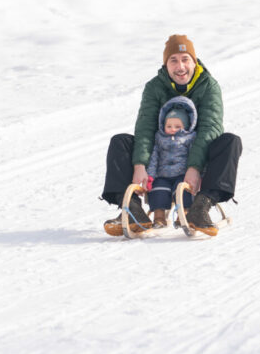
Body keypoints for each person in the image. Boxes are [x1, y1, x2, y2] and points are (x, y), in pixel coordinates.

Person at [101, 34, 243, 237]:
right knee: (120, 141)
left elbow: (209, 130)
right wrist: (140, 164)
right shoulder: (155, 87)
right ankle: (132, 210)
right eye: (173, 60)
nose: (180, 67)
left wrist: (194, 168)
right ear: (166, 64)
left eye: (185, 60)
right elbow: (145, 128)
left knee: (230, 142)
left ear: (194, 62)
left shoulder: (208, 86)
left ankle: (200, 207)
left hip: (197, 157)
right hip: (161, 157)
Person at [146, 96, 198, 228]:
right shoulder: (159, 138)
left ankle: (184, 214)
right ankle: (159, 217)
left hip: (182, 174)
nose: (172, 129)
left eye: (177, 126)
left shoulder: (189, 138)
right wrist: (150, 176)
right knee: (157, 189)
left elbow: (195, 156)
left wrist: (198, 173)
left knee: (182, 190)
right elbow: (154, 158)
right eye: (169, 126)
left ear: (185, 126)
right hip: (162, 175)